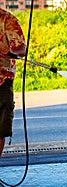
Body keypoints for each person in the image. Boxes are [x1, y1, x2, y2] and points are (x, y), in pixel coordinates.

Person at [0, 8, 26, 157]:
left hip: (2, 81)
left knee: (0, 130)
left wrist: (12, 53)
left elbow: (21, 49)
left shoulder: (7, 20)